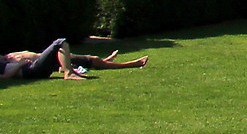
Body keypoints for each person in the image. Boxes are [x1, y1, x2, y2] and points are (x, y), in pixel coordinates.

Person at [3, 41, 145, 82]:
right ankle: (68, 72)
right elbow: (5, 76)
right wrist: (21, 63)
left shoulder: (6, 56)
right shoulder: (5, 64)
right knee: (60, 43)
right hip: (30, 70)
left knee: (93, 59)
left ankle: (133, 63)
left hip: (37, 63)